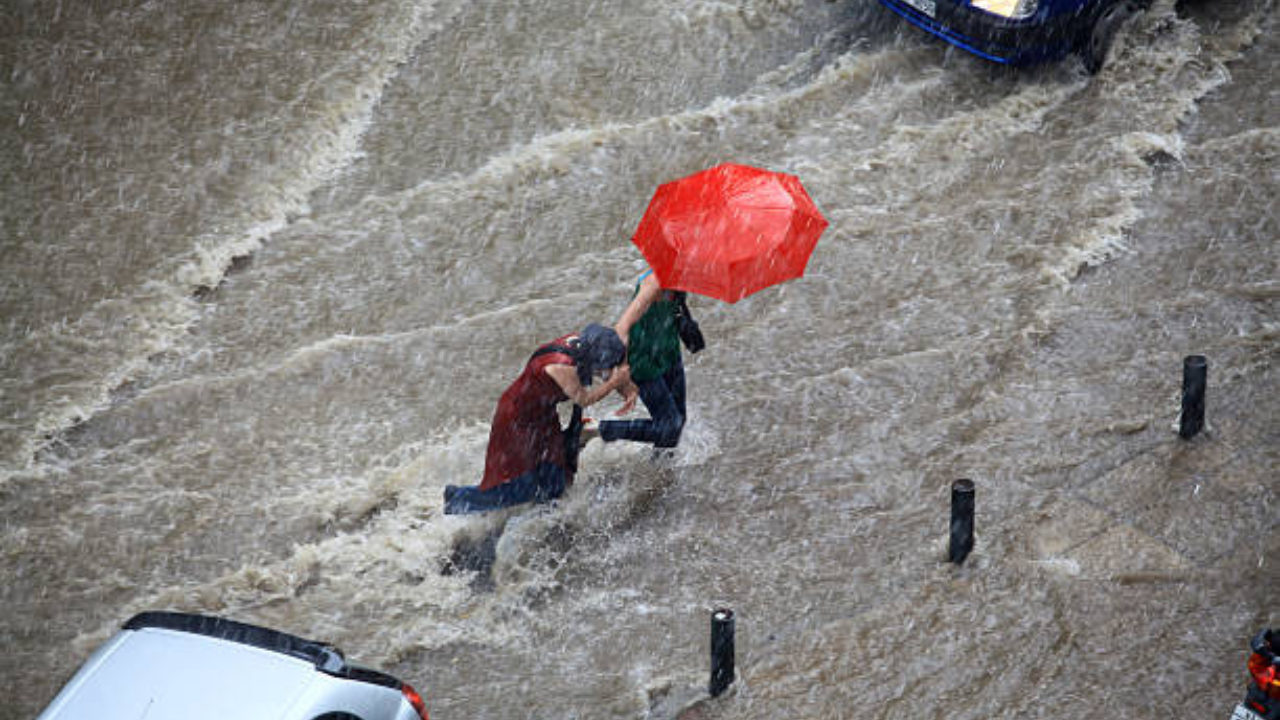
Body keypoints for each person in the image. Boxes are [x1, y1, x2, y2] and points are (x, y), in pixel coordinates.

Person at [443, 323, 630, 515]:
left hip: (542, 413)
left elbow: (609, 369)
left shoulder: (584, 344)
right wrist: (616, 382)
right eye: (604, 366)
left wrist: (625, 387)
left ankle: (544, 515)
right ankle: (459, 499)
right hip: (517, 419)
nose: (605, 372)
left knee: (555, 473)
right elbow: (584, 399)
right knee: (520, 484)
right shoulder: (561, 366)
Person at [587, 269, 695, 451]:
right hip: (642, 361)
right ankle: (595, 430)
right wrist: (622, 371)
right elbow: (621, 329)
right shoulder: (653, 284)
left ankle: (661, 473)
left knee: (677, 422)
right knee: (670, 427)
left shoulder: (681, 277)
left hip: (669, 353)